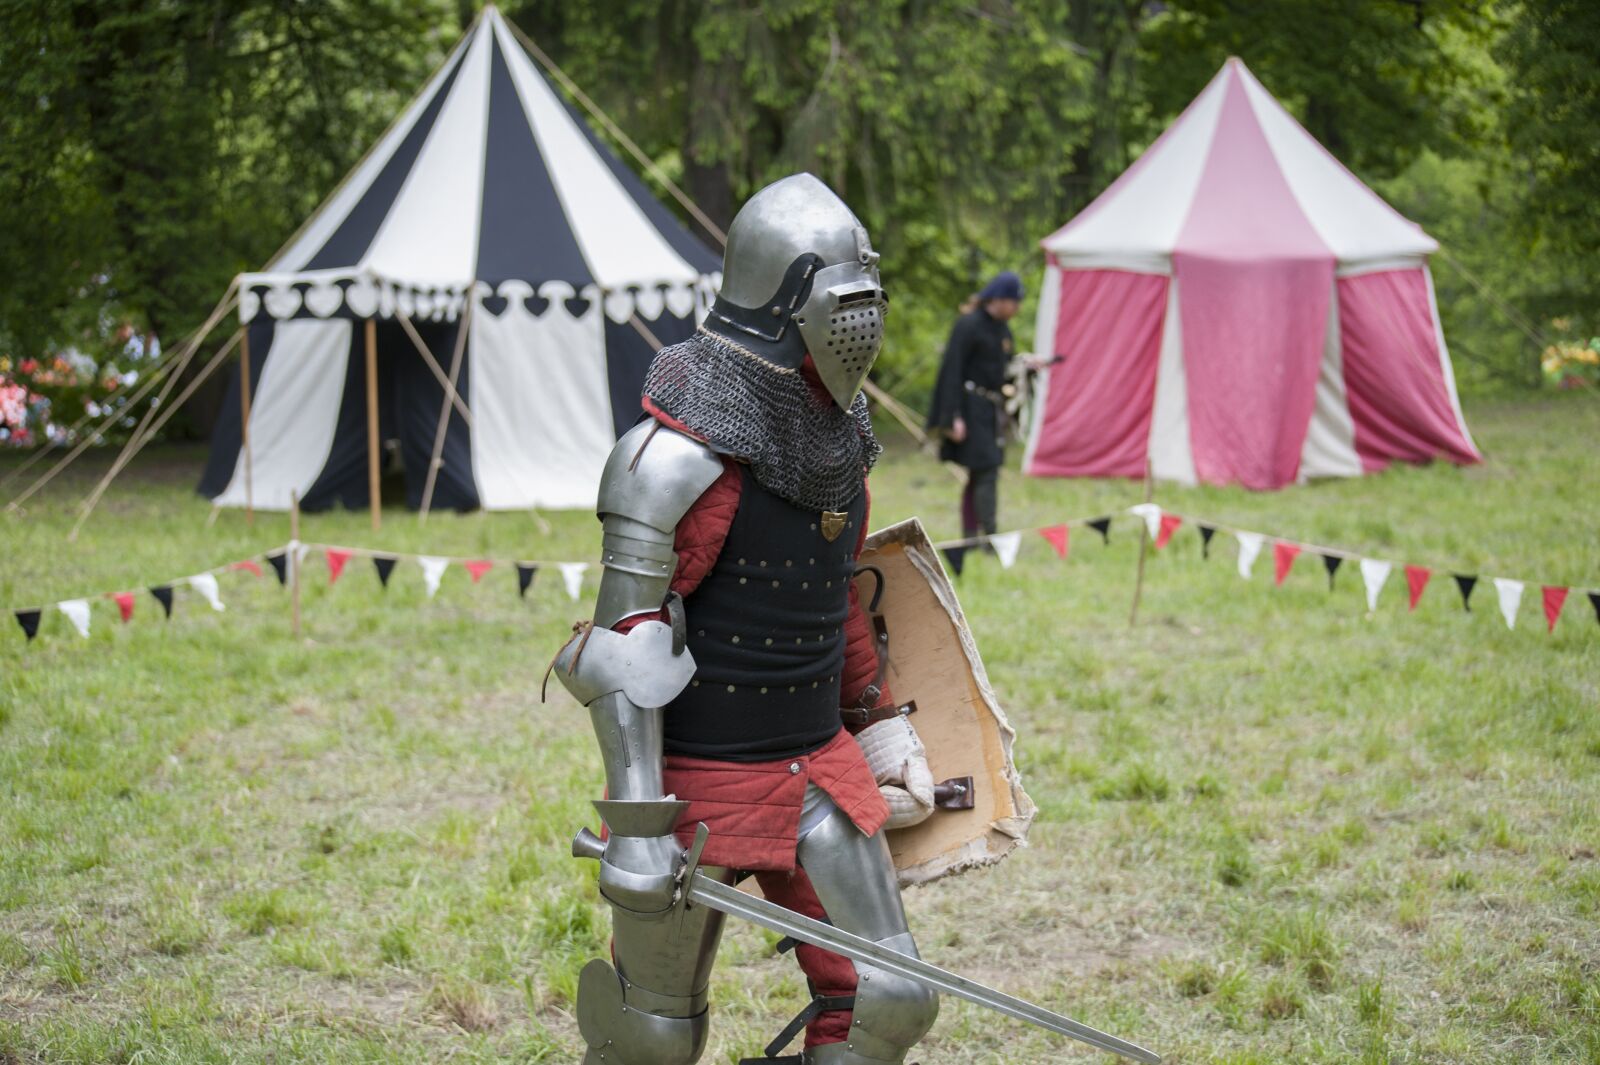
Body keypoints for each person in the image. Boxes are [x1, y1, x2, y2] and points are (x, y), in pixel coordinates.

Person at [550, 173, 940, 1065]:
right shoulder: (673, 458)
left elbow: (834, 593)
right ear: (789, 299)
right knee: (651, 1035)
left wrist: (877, 727)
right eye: (850, 301)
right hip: (696, 780)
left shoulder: (833, 438)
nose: (865, 323)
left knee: (893, 1000)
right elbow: (620, 650)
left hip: (815, 770)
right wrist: (640, 826)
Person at [927, 271, 1024, 543]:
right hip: (968, 408)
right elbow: (951, 371)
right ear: (1000, 299)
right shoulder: (968, 325)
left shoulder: (1002, 328)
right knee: (986, 470)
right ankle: (988, 537)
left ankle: (973, 537)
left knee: (981, 471)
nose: (1017, 308)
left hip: (991, 409)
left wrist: (1025, 366)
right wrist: (951, 417)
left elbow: (1001, 367)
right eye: (1014, 302)